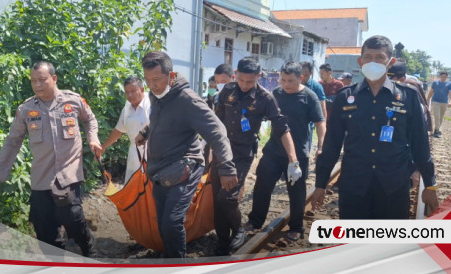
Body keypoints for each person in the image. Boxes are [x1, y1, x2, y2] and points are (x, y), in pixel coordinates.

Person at [311, 35, 438, 219]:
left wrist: (430, 184)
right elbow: (332, 145)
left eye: (379, 57)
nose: (373, 62)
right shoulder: (345, 97)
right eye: (368, 57)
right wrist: (320, 184)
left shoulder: (408, 97)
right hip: (354, 185)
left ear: (390, 62)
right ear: (360, 61)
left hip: (393, 186)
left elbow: (420, 145)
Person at [0, 61, 101, 257]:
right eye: (33, 81)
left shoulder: (73, 101)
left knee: (72, 217)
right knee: (45, 231)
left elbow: (89, 119)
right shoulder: (26, 109)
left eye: (42, 80)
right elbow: (12, 142)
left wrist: (93, 139)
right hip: (42, 178)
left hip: (69, 174)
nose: (37, 85)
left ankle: (89, 250)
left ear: (54, 78)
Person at [134, 51, 237, 259]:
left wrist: (226, 167)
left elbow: (217, 131)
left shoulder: (187, 100)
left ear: (171, 76)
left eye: (156, 79)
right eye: (147, 80)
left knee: (172, 221)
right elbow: (158, 119)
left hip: (184, 169)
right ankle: (171, 257)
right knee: (163, 223)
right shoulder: (157, 96)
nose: (152, 86)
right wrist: (146, 132)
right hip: (159, 170)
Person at [210, 56, 302, 255]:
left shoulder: (265, 98)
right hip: (221, 152)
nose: (244, 85)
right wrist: (208, 150)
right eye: (241, 79)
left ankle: (239, 229)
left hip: (242, 154)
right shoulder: (227, 90)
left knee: (228, 198)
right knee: (216, 200)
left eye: (250, 81)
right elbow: (215, 122)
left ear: (259, 77)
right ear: (236, 74)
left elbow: (281, 128)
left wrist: (293, 159)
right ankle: (223, 242)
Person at [245, 62, 325, 241]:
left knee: (296, 192)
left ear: (301, 78)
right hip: (273, 151)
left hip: (298, 155)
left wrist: (321, 146)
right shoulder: (276, 94)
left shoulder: (309, 97)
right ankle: (255, 221)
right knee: (262, 186)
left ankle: (296, 226)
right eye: (283, 80)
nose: (286, 84)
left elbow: (320, 122)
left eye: (290, 80)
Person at [101, 76, 150, 184]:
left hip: (152, 155)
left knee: (150, 192)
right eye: (127, 92)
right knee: (133, 191)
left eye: (133, 91)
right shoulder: (127, 108)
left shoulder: (151, 104)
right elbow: (118, 130)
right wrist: (103, 146)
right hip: (134, 154)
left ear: (142, 90)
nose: (130, 95)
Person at [301, 61, 327, 152]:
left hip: (308, 125)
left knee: (305, 150)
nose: (302, 78)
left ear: (311, 73)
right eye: (300, 75)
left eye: (306, 75)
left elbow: (322, 106)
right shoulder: (293, 85)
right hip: (293, 124)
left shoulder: (316, 87)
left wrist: (324, 124)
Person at [427, 71, 451, 138]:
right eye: (442, 76)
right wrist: (427, 99)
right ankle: (438, 130)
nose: (443, 78)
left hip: (444, 102)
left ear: (447, 77)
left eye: (445, 77)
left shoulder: (449, 84)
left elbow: (450, 94)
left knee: (441, 117)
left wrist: (450, 102)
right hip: (435, 101)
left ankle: (436, 129)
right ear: (440, 76)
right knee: (437, 116)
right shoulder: (435, 83)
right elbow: (431, 91)